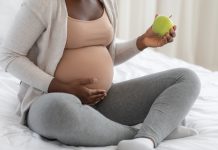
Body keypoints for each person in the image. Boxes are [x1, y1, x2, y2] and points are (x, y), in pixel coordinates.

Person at [0, 0, 201, 150]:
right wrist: (63, 87)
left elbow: (106, 55)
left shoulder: (106, 2)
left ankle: (147, 137)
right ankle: (151, 133)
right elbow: (9, 56)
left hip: (103, 99)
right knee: (59, 112)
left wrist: (141, 42)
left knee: (186, 78)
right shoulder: (43, 4)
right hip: (49, 99)